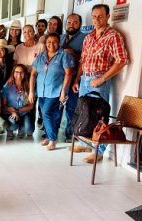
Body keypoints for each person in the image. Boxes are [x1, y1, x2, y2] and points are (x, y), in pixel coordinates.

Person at [71, 4, 129, 163]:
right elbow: (83, 61)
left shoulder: (113, 36)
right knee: (85, 114)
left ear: (108, 16)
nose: (96, 19)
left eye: (100, 16)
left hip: (99, 80)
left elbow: (122, 60)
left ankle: (99, 151)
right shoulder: (88, 37)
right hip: (85, 80)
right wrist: (77, 79)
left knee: (99, 116)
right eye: (94, 16)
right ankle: (85, 143)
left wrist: (102, 79)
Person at [29, 33, 75, 150]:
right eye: (49, 42)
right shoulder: (41, 57)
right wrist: (31, 91)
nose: (51, 44)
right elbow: (33, 74)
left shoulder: (64, 55)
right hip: (41, 91)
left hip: (55, 91)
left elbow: (69, 74)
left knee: (46, 113)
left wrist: (64, 91)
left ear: (58, 42)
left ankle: (53, 139)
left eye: (54, 42)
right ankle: (50, 137)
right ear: (45, 43)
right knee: (48, 114)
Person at [60, 13, 87, 143]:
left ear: (80, 24)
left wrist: (74, 54)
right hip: (59, 79)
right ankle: (51, 133)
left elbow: (85, 60)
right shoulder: (60, 38)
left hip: (74, 79)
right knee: (56, 107)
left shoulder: (84, 38)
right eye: (69, 22)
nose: (71, 25)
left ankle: (70, 134)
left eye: (75, 22)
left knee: (71, 107)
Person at [1, 64, 34, 139]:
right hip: (10, 113)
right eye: (16, 72)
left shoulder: (28, 86)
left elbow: (31, 106)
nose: (19, 74)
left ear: (25, 74)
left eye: (21, 72)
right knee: (13, 125)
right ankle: (10, 129)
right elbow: (4, 105)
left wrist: (17, 111)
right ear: (13, 73)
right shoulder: (7, 86)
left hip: (24, 113)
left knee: (28, 129)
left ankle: (21, 128)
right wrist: (13, 112)